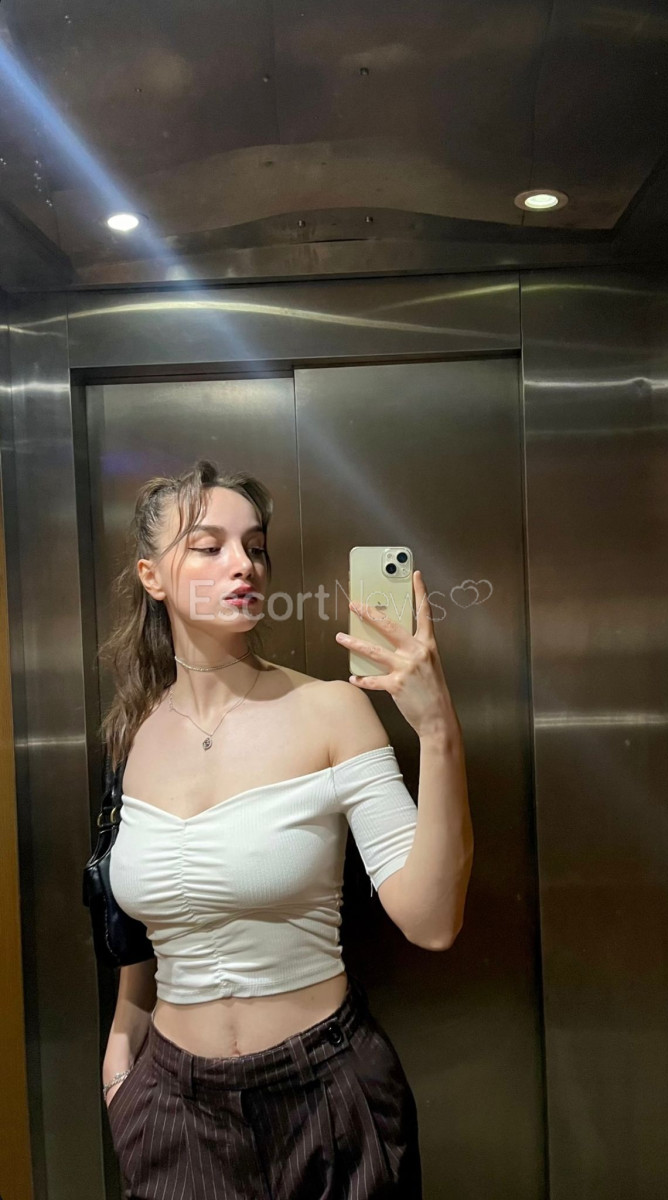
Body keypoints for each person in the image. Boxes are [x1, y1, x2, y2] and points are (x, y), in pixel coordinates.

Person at [98, 458, 473, 1199]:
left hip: (328, 1097)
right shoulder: (132, 738)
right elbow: (141, 929)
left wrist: (437, 731)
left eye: (256, 547)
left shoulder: (330, 710)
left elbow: (432, 922)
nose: (244, 564)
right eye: (209, 547)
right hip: (172, 1111)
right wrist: (120, 1066)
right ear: (152, 576)